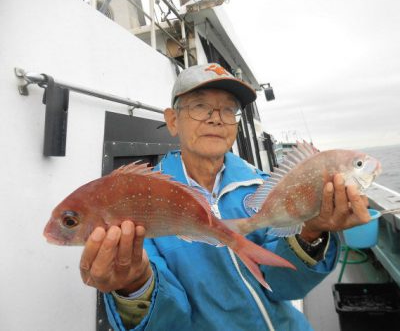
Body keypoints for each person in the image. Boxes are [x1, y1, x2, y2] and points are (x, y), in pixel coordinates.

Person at [79, 63, 371, 330]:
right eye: (200, 106)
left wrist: (312, 230)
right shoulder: (145, 200)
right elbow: (170, 322)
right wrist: (135, 286)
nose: (216, 119)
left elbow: (283, 286)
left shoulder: (262, 185)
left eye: (228, 110)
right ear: (172, 121)